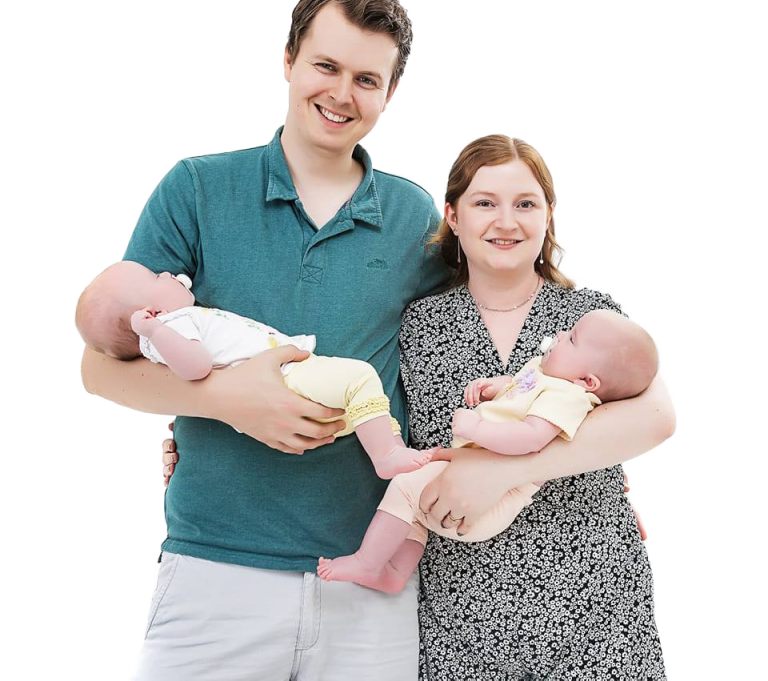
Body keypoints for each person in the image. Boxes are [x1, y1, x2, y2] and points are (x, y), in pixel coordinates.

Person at [161, 131, 676, 678]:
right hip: (463, 602)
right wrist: (196, 429)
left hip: (592, 588)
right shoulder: (419, 321)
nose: (507, 222)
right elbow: (356, 397)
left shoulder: (595, 315)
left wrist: (503, 470)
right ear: (451, 216)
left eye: (526, 204)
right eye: (484, 203)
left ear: (550, 214)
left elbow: (657, 417)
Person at [79, 0, 454, 680]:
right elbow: (97, 368)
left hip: (369, 579)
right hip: (216, 567)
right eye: (326, 66)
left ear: (391, 93)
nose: (342, 93)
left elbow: (489, 339)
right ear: (287, 60)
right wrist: (225, 399)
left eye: (367, 79)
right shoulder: (195, 188)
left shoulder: (414, 217)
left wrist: (593, 481)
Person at [316, 308, 660, 593]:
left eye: (571, 339)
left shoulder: (567, 397)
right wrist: (500, 387)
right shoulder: (550, 376)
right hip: (471, 483)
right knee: (416, 515)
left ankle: (366, 561)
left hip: (493, 500)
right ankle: (393, 573)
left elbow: (531, 437)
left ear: (588, 382)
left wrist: (478, 428)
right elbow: (522, 391)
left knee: (406, 487)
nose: (559, 336)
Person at [75, 261, 437, 479]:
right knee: (359, 377)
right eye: (157, 277)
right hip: (284, 381)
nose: (168, 273)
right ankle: (386, 454)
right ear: (151, 313)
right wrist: (155, 332)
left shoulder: (178, 322)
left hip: (290, 378)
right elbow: (195, 367)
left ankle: (385, 445)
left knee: (353, 399)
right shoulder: (173, 327)